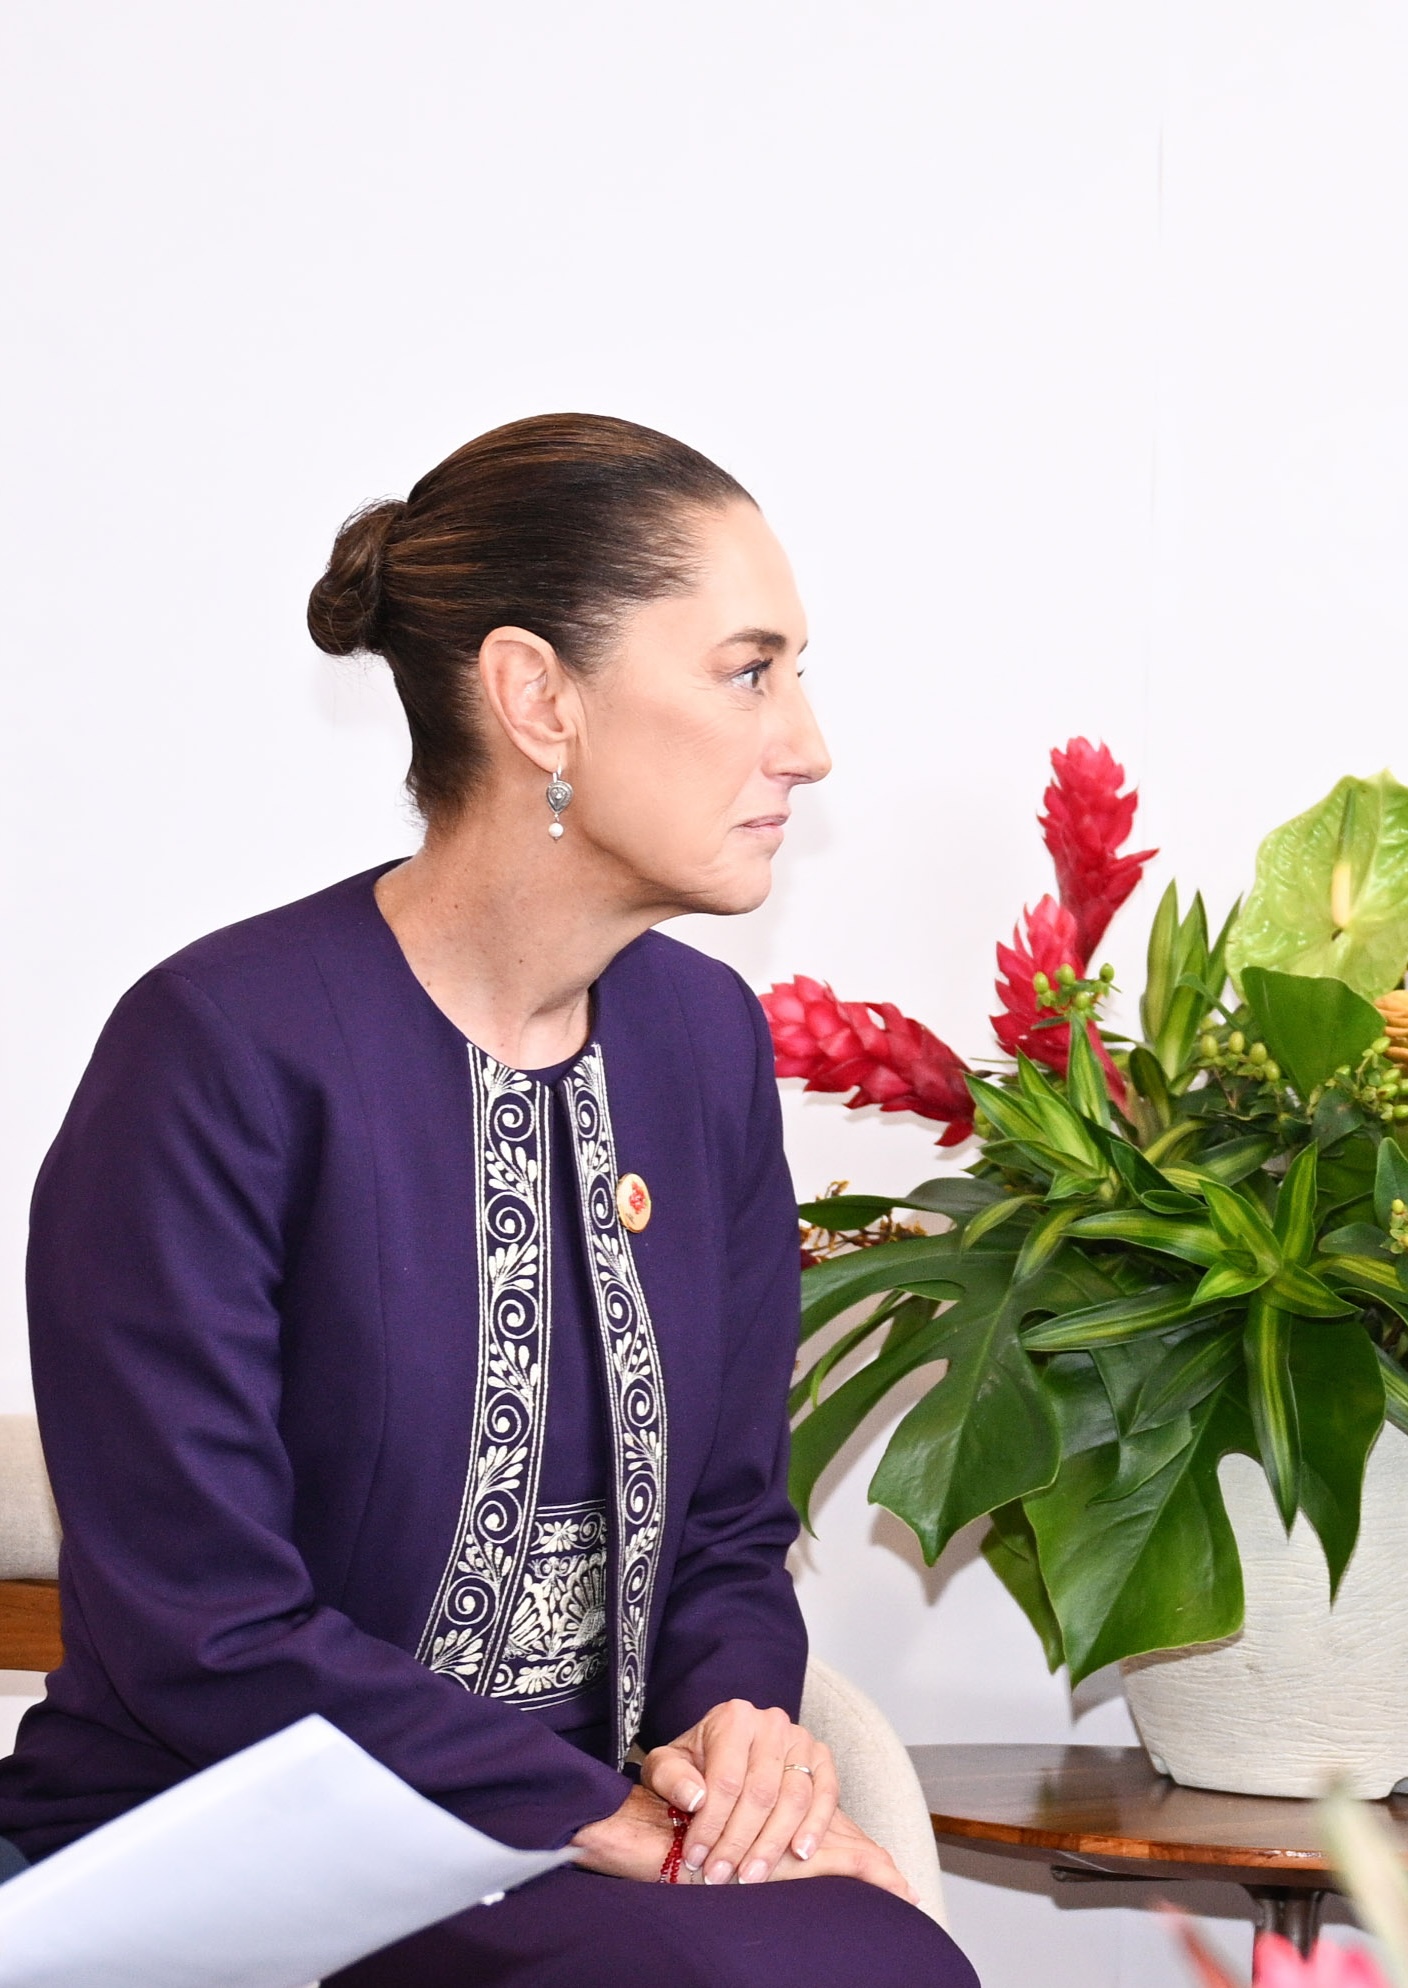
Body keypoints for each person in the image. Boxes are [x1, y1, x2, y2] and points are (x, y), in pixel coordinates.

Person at [0, 415, 977, 1986]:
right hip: (232, 1850)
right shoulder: (218, 1052)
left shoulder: (698, 1039)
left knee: (872, 1959)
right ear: (538, 697)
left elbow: (728, 1523)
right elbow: (209, 1630)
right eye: (749, 671)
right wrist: (610, 1822)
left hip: (581, 1849)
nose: (805, 742)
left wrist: (734, 1736)